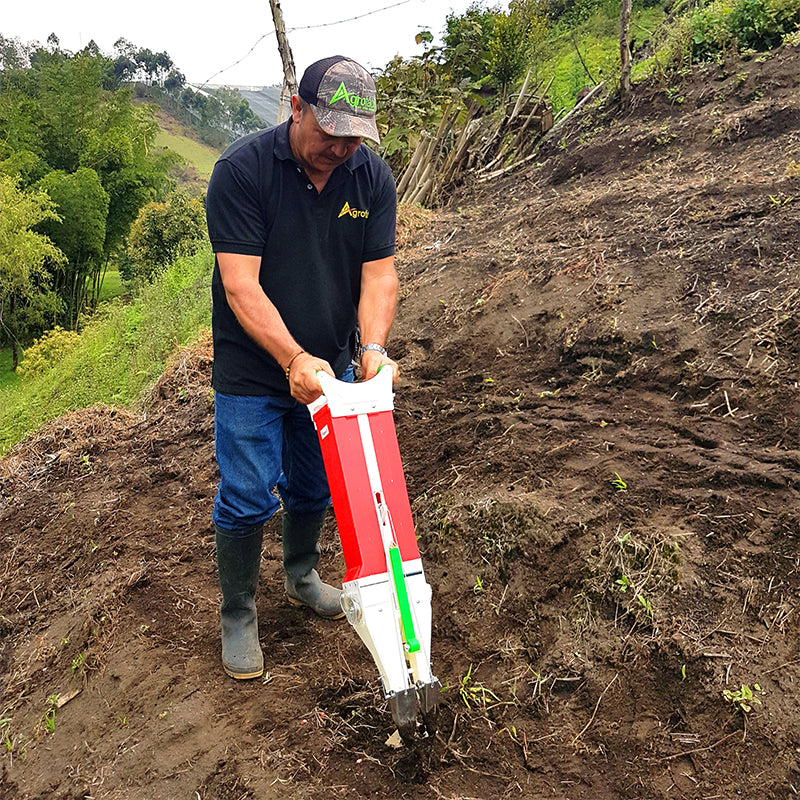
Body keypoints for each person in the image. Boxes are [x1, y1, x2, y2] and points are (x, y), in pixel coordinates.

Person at [205, 55, 399, 680]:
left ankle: (301, 574)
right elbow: (241, 286)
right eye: (329, 132)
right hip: (255, 369)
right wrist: (290, 358)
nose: (340, 148)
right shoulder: (242, 172)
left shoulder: (369, 177)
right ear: (297, 108)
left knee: (317, 485)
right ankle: (238, 613)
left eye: (353, 136)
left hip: (332, 365)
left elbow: (379, 276)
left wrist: (370, 349)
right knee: (246, 492)